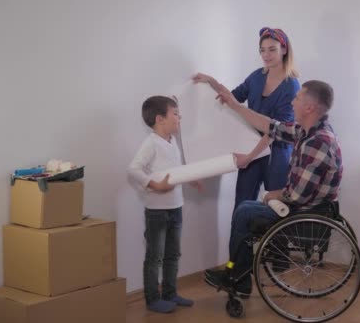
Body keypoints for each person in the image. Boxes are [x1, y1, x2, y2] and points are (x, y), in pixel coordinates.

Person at [204, 80, 343, 298]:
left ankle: (236, 276)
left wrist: (272, 195)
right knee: (246, 208)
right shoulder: (309, 131)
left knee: (244, 212)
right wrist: (235, 105)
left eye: (297, 98)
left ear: (309, 107)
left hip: (305, 217)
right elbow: (270, 126)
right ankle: (238, 273)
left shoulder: (317, 142)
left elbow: (295, 195)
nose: (292, 101)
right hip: (311, 210)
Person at [193, 27, 300, 211]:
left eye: (272, 49)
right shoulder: (257, 76)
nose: (266, 55)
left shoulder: (291, 85)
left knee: (275, 209)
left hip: (275, 154)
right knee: (242, 206)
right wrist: (212, 82)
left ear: (284, 49)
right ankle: (241, 241)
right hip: (250, 149)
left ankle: (269, 241)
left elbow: (277, 130)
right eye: (262, 50)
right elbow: (232, 99)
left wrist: (249, 157)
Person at [128, 96, 202, 313]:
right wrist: (155, 185)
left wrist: (191, 177)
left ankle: (170, 293)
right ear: (160, 119)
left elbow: (175, 171)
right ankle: (152, 299)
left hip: (176, 207)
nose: (180, 118)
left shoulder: (172, 142)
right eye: (176, 114)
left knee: (173, 254)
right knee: (155, 257)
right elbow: (133, 170)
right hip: (157, 212)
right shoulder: (151, 143)